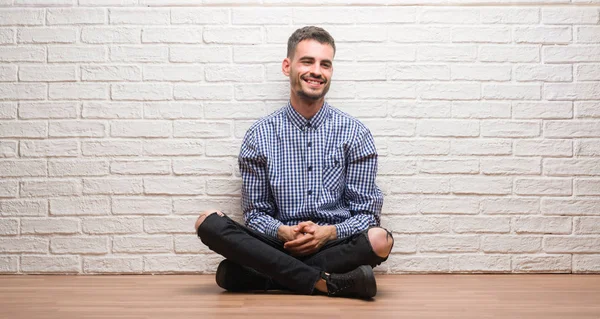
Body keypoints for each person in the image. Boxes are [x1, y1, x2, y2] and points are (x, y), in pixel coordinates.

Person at [194, 26, 394, 299]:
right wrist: (284, 232)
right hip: (278, 245)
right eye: (307, 61)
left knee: (380, 240)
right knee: (207, 222)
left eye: (325, 64)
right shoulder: (259, 135)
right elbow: (255, 214)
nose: (317, 71)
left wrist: (328, 232)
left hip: (334, 244)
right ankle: (326, 282)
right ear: (287, 66)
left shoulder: (355, 134)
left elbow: (367, 215)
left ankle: (264, 277)